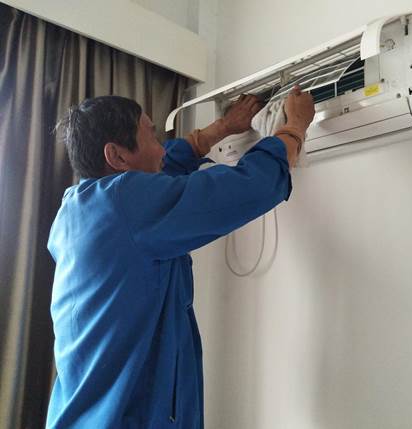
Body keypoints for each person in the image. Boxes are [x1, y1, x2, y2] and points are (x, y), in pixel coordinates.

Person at [46, 86, 315, 428]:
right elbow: (249, 187)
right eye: (151, 136)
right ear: (116, 156)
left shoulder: (81, 206)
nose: (161, 148)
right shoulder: (127, 204)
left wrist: (221, 128)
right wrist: (294, 127)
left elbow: (166, 165)